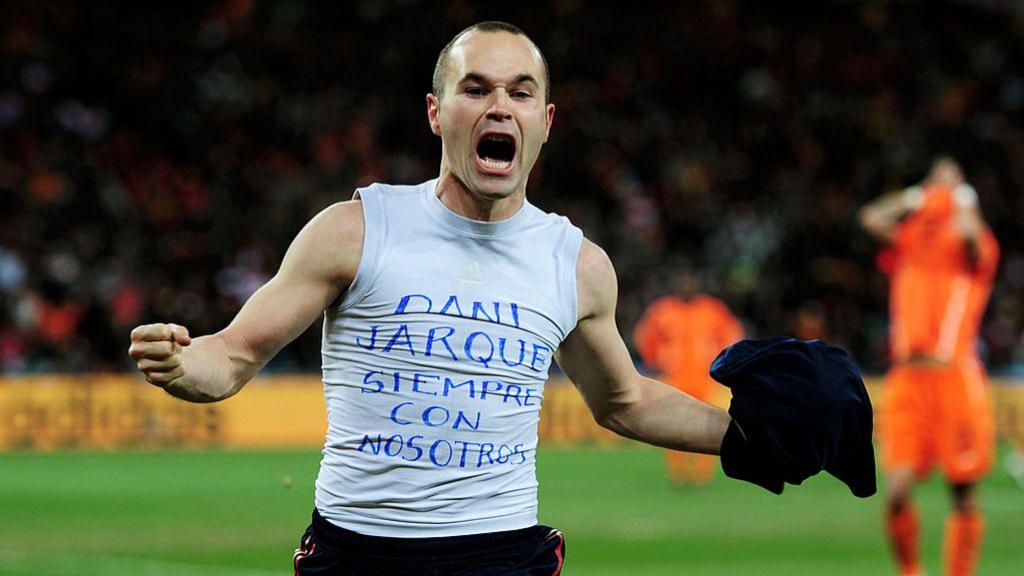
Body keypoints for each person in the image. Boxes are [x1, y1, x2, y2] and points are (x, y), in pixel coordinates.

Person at [130, 21, 870, 575]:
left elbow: (625, 401)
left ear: (544, 124)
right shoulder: (356, 230)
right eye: (475, 88)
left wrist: (742, 435)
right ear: (435, 111)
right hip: (355, 555)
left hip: (502, 555)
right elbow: (234, 355)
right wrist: (184, 366)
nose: (499, 107)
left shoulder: (576, 265)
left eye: (521, 92)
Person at [860, 157, 1000, 576]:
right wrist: (916, 195)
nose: (941, 185)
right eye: (936, 177)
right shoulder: (909, 239)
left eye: (951, 177)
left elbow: (974, 236)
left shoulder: (973, 246)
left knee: (962, 493)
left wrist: (962, 196)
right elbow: (869, 217)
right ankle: (911, 571)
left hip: (954, 375)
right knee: (897, 492)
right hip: (906, 377)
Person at [633, 266, 743, 486]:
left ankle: (703, 473)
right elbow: (645, 337)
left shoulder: (712, 309)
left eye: (689, 284)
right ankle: (679, 472)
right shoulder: (663, 310)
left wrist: (722, 363)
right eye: (682, 284)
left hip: (704, 378)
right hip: (675, 377)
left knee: (707, 424)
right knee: (672, 424)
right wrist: (656, 360)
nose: (686, 287)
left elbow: (731, 334)